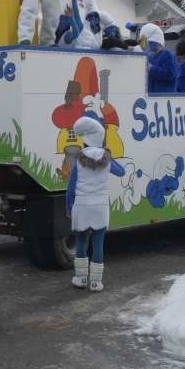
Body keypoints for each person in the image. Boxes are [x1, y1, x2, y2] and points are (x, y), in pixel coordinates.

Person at [66, 116, 125, 292]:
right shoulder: (106, 160)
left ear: (85, 141)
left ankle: (81, 278)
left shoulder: (78, 160)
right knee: (98, 242)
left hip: (82, 205)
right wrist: (109, 156)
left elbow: (71, 188)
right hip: (100, 206)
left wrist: (69, 207)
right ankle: (95, 282)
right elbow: (122, 172)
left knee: (81, 241)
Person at [139, 23, 176, 93]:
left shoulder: (167, 55)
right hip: (151, 95)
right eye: (148, 42)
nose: (149, 45)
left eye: (151, 42)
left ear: (158, 41)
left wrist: (150, 68)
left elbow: (170, 75)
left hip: (164, 96)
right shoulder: (150, 57)